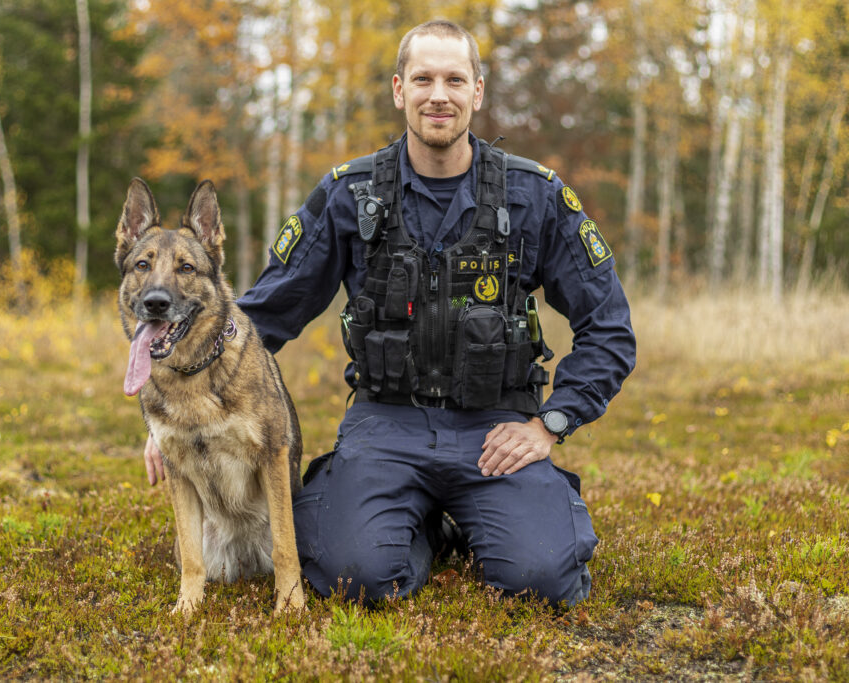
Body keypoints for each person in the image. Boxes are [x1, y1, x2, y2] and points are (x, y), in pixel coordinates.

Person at [143, 19, 636, 607]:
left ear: (477, 92)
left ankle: (475, 519)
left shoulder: (534, 197)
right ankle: (421, 526)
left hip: (496, 429)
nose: (439, 95)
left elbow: (609, 330)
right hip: (385, 428)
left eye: (455, 79)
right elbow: (258, 318)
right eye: (423, 78)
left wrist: (549, 424)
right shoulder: (347, 196)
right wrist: (179, 398)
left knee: (544, 584)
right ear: (399, 90)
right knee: (351, 579)